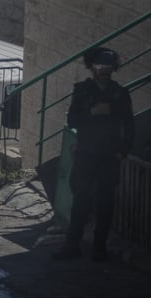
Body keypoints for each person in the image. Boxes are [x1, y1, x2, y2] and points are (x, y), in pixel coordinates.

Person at [53, 46, 134, 262]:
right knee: (81, 200)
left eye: (107, 66)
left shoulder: (120, 93)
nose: (103, 70)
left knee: (105, 203)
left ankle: (99, 248)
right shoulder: (82, 91)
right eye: (99, 66)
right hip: (87, 153)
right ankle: (72, 246)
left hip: (109, 156)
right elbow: (72, 121)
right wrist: (91, 113)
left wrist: (121, 153)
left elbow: (129, 124)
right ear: (92, 67)